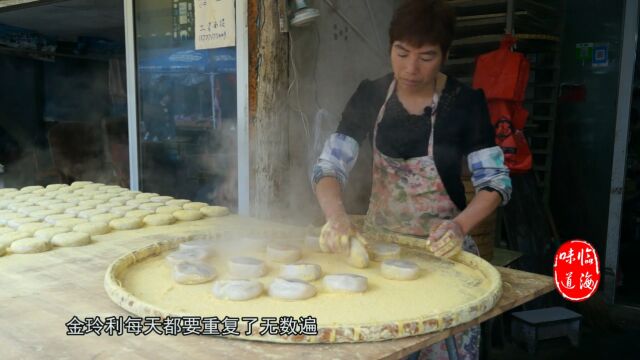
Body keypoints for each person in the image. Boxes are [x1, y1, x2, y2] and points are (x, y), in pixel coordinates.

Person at [311, 0, 512, 359]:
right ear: (390, 48)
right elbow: (329, 166)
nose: (411, 68)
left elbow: (495, 183)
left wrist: (459, 227)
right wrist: (337, 218)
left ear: (445, 56)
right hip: (379, 250)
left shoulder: (465, 103)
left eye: (426, 56)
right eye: (401, 53)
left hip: (444, 255)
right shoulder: (372, 95)